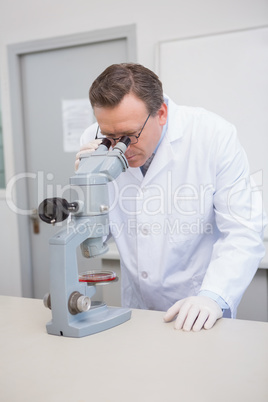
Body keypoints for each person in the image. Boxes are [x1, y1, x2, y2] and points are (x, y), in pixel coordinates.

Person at [75, 63, 266, 331]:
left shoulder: (212, 135)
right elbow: (98, 234)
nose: (120, 147)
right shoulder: (94, 140)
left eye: (130, 136)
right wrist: (88, 186)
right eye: (110, 136)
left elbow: (244, 230)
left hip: (200, 307)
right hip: (137, 309)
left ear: (161, 113)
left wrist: (213, 296)